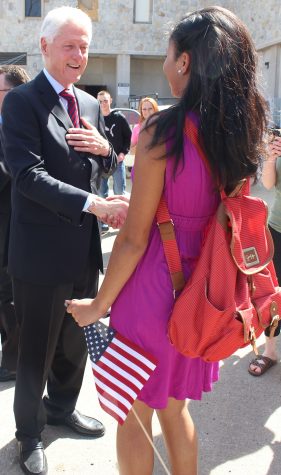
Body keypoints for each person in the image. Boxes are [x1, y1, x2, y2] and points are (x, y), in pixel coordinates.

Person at [66, 6, 267, 475]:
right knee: (175, 408)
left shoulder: (163, 131)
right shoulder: (239, 131)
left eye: (168, 52)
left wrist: (97, 306)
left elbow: (134, 240)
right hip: (207, 296)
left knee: (134, 416)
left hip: (155, 292)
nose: (163, 62)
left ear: (185, 62)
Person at [1, 6, 128, 475]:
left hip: (83, 252)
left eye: (85, 47)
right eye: (70, 45)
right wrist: (95, 205)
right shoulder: (22, 102)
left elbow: (104, 168)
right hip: (38, 254)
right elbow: (27, 175)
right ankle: (28, 434)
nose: (79, 55)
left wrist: (106, 150)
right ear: (44, 46)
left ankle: (62, 408)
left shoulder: (91, 104)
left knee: (75, 340)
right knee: (36, 347)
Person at [0, 65, 30, 382]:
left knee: (8, 297)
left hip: (12, 230)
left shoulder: (19, 126)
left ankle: (12, 361)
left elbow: (8, 169)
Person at [248, 131, 281, 376]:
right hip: (277, 228)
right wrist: (271, 157)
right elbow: (269, 184)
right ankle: (270, 351)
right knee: (272, 292)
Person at [97, 90, 132, 233]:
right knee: (102, 194)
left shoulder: (119, 118)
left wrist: (123, 153)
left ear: (110, 100)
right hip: (101, 163)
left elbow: (128, 137)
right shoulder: (95, 118)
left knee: (119, 192)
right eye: (100, 101)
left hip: (117, 162)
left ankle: (124, 222)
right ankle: (103, 224)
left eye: (105, 100)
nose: (103, 104)